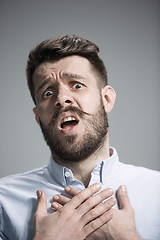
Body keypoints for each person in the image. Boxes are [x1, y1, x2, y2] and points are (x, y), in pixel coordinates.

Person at [0, 35, 159, 240]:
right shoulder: (3, 201)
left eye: (76, 85)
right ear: (38, 117)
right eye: (48, 92)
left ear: (107, 99)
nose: (61, 98)